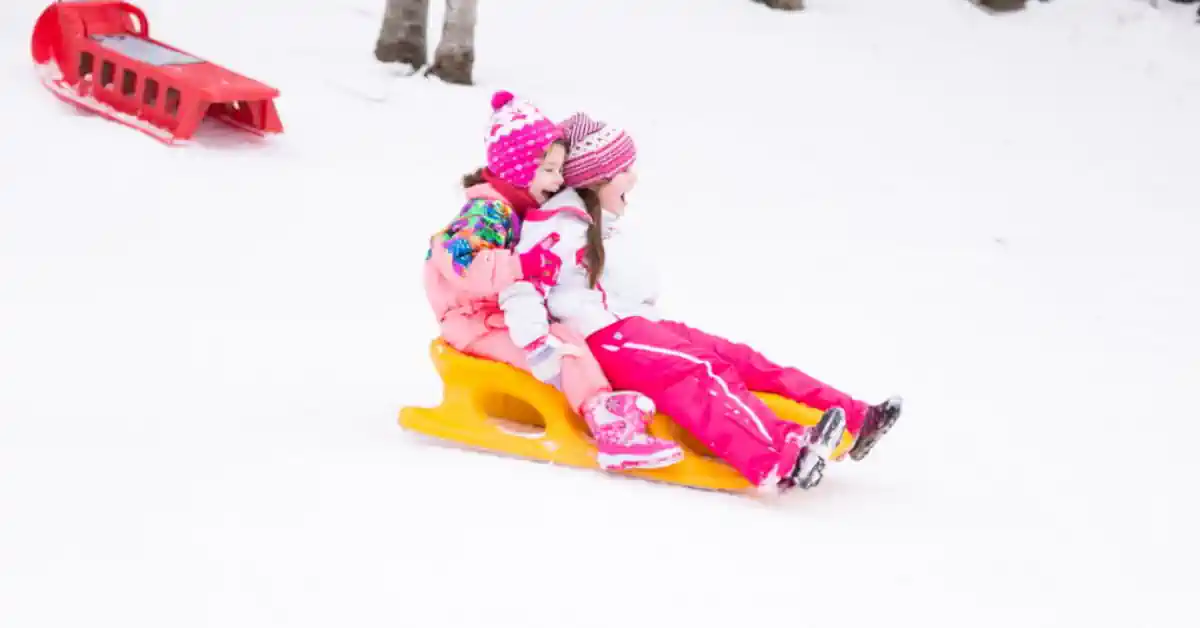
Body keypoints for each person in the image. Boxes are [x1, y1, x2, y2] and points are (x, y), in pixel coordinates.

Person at [499, 111, 902, 491]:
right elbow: (524, 288)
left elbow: (621, 286)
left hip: (637, 323)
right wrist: (542, 350)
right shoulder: (554, 227)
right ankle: (783, 456)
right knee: (701, 372)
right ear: (594, 178)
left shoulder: (596, 224)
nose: (633, 178)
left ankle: (857, 418)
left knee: (744, 361)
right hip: (607, 339)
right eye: (622, 170)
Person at [423, 91, 683, 471]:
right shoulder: (487, 210)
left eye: (560, 169)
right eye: (549, 169)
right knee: (563, 345)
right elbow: (461, 261)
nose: (558, 179)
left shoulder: (516, 208)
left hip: (495, 314)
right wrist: (521, 264)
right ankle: (607, 425)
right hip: (471, 322)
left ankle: (606, 403)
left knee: (568, 331)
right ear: (516, 168)